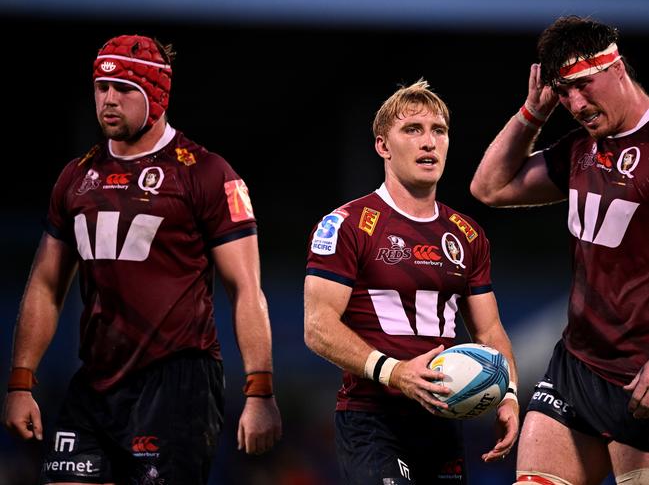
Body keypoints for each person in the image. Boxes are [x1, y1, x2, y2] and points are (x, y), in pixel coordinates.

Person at [2, 34, 281, 484]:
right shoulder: (76, 177)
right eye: (100, 87)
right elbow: (46, 284)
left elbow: (245, 288)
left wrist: (260, 390)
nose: (109, 100)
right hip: (94, 380)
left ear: (156, 94)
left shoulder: (206, 173)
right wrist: (20, 381)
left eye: (124, 89)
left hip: (177, 384)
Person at [304, 80, 520, 484]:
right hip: (373, 419)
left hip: (443, 420)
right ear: (383, 146)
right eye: (412, 130)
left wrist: (507, 393)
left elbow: (489, 328)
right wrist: (395, 372)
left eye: (438, 130)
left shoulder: (467, 234)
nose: (429, 143)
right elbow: (317, 327)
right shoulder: (348, 224)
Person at [470, 16, 649, 485]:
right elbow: (489, 187)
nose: (574, 103)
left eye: (582, 85)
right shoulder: (581, 148)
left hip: (640, 376)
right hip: (577, 367)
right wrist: (533, 111)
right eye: (562, 92)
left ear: (617, 68)